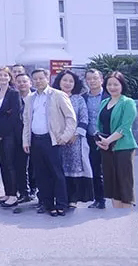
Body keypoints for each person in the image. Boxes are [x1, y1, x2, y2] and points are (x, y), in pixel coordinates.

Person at [23, 68, 76, 217]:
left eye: (41, 78)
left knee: (57, 174)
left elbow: (71, 118)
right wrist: (25, 140)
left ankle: (61, 204)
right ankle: (48, 204)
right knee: (41, 174)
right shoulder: (30, 98)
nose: (38, 81)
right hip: (35, 140)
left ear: (48, 78)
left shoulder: (58, 95)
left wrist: (65, 137)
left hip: (52, 140)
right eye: (35, 79)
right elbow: (26, 121)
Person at [96, 71, 137, 208]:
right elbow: (100, 125)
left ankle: (125, 215)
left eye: (116, 84)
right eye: (109, 84)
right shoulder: (104, 102)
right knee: (112, 184)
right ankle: (116, 214)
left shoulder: (128, 102)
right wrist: (100, 140)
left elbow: (125, 127)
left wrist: (108, 141)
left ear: (122, 85)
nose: (112, 87)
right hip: (106, 148)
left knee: (124, 184)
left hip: (123, 147)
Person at [53, 69, 93, 208]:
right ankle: (60, 198)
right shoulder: (53, 97)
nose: (68, 83)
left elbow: (84, 118)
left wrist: (76, 135)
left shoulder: (78, 99)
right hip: (57, 140)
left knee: (74, 169)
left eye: (71, 81)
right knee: (58, 169)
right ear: (59, 82)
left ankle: (73, 198)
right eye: (65, 80)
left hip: (74, 141)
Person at [0, 67, 22, 208]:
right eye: (0, 75)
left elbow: (15, 116)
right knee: (2, 164)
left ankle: (13, 194)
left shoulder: (14, 94)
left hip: (9, 135)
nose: (2, 77)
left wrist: (2, 134)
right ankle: (7, 193)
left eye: (5, 75)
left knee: (10, 164)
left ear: (10, 77)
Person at [83, 68, 107, 208]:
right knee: (96, 169)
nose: (92, 81)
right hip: (91, 138)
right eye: (89, 79)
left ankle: (123, 197)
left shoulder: (109, 96)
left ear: (101, 80)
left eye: (95, 78)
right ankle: (99, 199)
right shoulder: (83, 98)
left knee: (112, 169)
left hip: (109, 137)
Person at [13, 73, 34, 203]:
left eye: (24, 81)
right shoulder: (14, 98)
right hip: (18, 136)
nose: (22, 84)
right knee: (21, 166)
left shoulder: (35, 97)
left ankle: (34, 190)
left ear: (30, 83)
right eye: (19, 82)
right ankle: (24, 192)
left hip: (35, 135)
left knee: (35, 166)